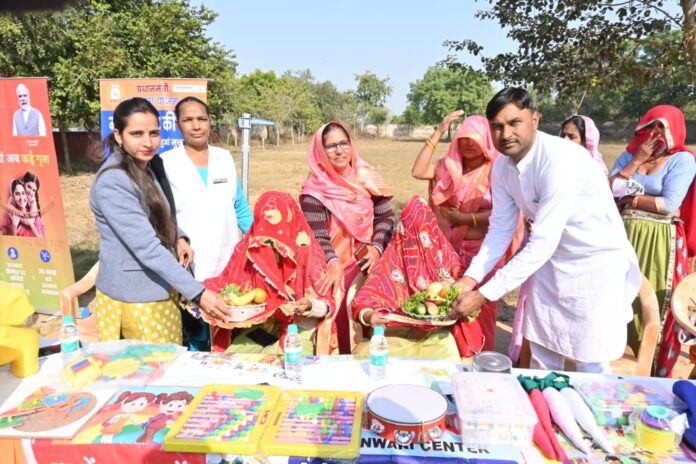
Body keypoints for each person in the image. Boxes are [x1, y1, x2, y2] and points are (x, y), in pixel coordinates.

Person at [449, 87, 641, 373]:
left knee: (591, 361)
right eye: (497, 127)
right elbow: (501, 229)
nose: (506, 134)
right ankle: (544, 410)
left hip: (594, 266)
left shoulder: (560, 160)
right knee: (542, 355)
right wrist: (469, 279)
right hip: (549, 266)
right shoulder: (502, 167)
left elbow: (543, 240)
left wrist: (483, 294)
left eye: (515, 123)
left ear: (534, 120)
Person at [90, 97, 229, 344]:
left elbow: (158, 214)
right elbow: (146, 247)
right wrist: (199, 294)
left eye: (154, 133)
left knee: (170, 366)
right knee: (148, 374)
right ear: (119, 135)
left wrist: (178, 237)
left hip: (159, 288)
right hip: (135, 297)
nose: (148, 142)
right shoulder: (114, 181)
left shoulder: (148, 165)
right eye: (137, 133)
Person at [411, 111, 521, 351]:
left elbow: (505, 213)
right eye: (464, 139)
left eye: (475, 139)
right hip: (447, 253)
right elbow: (418, 172)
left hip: (484, 254)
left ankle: (480, 356)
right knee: (445, 305)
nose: (469, 144)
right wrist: (439, 131)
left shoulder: (497, 169)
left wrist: (466, 218)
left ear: (485, 141)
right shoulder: (449, 167)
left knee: (479, 310)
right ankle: (452, 357)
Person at [609, 105, 696, 377]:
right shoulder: (628, 155)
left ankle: (651, 370)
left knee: (652, 304)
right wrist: (636, 161)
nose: (655, 132)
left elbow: (669, 204)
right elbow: (608, 190)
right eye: (651, 126)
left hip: (661, 242)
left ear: (674, 131)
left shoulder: (682, 160)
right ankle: (611, 359)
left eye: (662, 127)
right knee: (614, 297)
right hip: (622, 236)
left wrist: (630, 199)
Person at [161, 96, 253, 351]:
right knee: (198, 333)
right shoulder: (166, 164)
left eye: (202, 119)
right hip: (191, 263)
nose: (196, 125)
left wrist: (258, 239)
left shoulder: (223, 158)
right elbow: (162, 215)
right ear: (178, 125)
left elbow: (240, 207)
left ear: (210, 122)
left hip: (228, 258)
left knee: (231, 328)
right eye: (188, 120)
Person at [300, 120, 394, 353]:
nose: (339, 151)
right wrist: (332, 262)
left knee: (369, 320)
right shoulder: (314, 189)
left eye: (344, 143)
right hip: (330, 267)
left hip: (368, 264)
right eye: (331, 146)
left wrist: (376, 248)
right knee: (335, 323)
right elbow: (318, 235)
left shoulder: (367, 176)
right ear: (321, 151)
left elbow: (386, 218)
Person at [352, 196, 483, 363]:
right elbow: (364, 301)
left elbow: (467, 300)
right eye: (411, 234)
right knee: (362, 355)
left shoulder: (447, 260)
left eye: (424, 235)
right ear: (401, 234)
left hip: (436, 338)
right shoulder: (389, 264)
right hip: (395, 337)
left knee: (448, 357)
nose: (419, 244)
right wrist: (370, 316)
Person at [203, 192, 337, 355]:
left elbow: (328, 305)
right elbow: (226, 284)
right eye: (266, 236)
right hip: (262, 326)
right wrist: (201, 293)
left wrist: (309, 305)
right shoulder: (249, 250)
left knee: (280, 362)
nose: (271, 245)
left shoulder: (307, 252)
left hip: (301, 328)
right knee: (233, 360)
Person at [20, 172, 45, 238]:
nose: (30, 192)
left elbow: (32, 215)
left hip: (35, 230)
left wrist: (33, 201)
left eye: (34, 190)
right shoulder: (17, 195)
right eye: (29, 187)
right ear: (23, 182)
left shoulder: (32, 201)